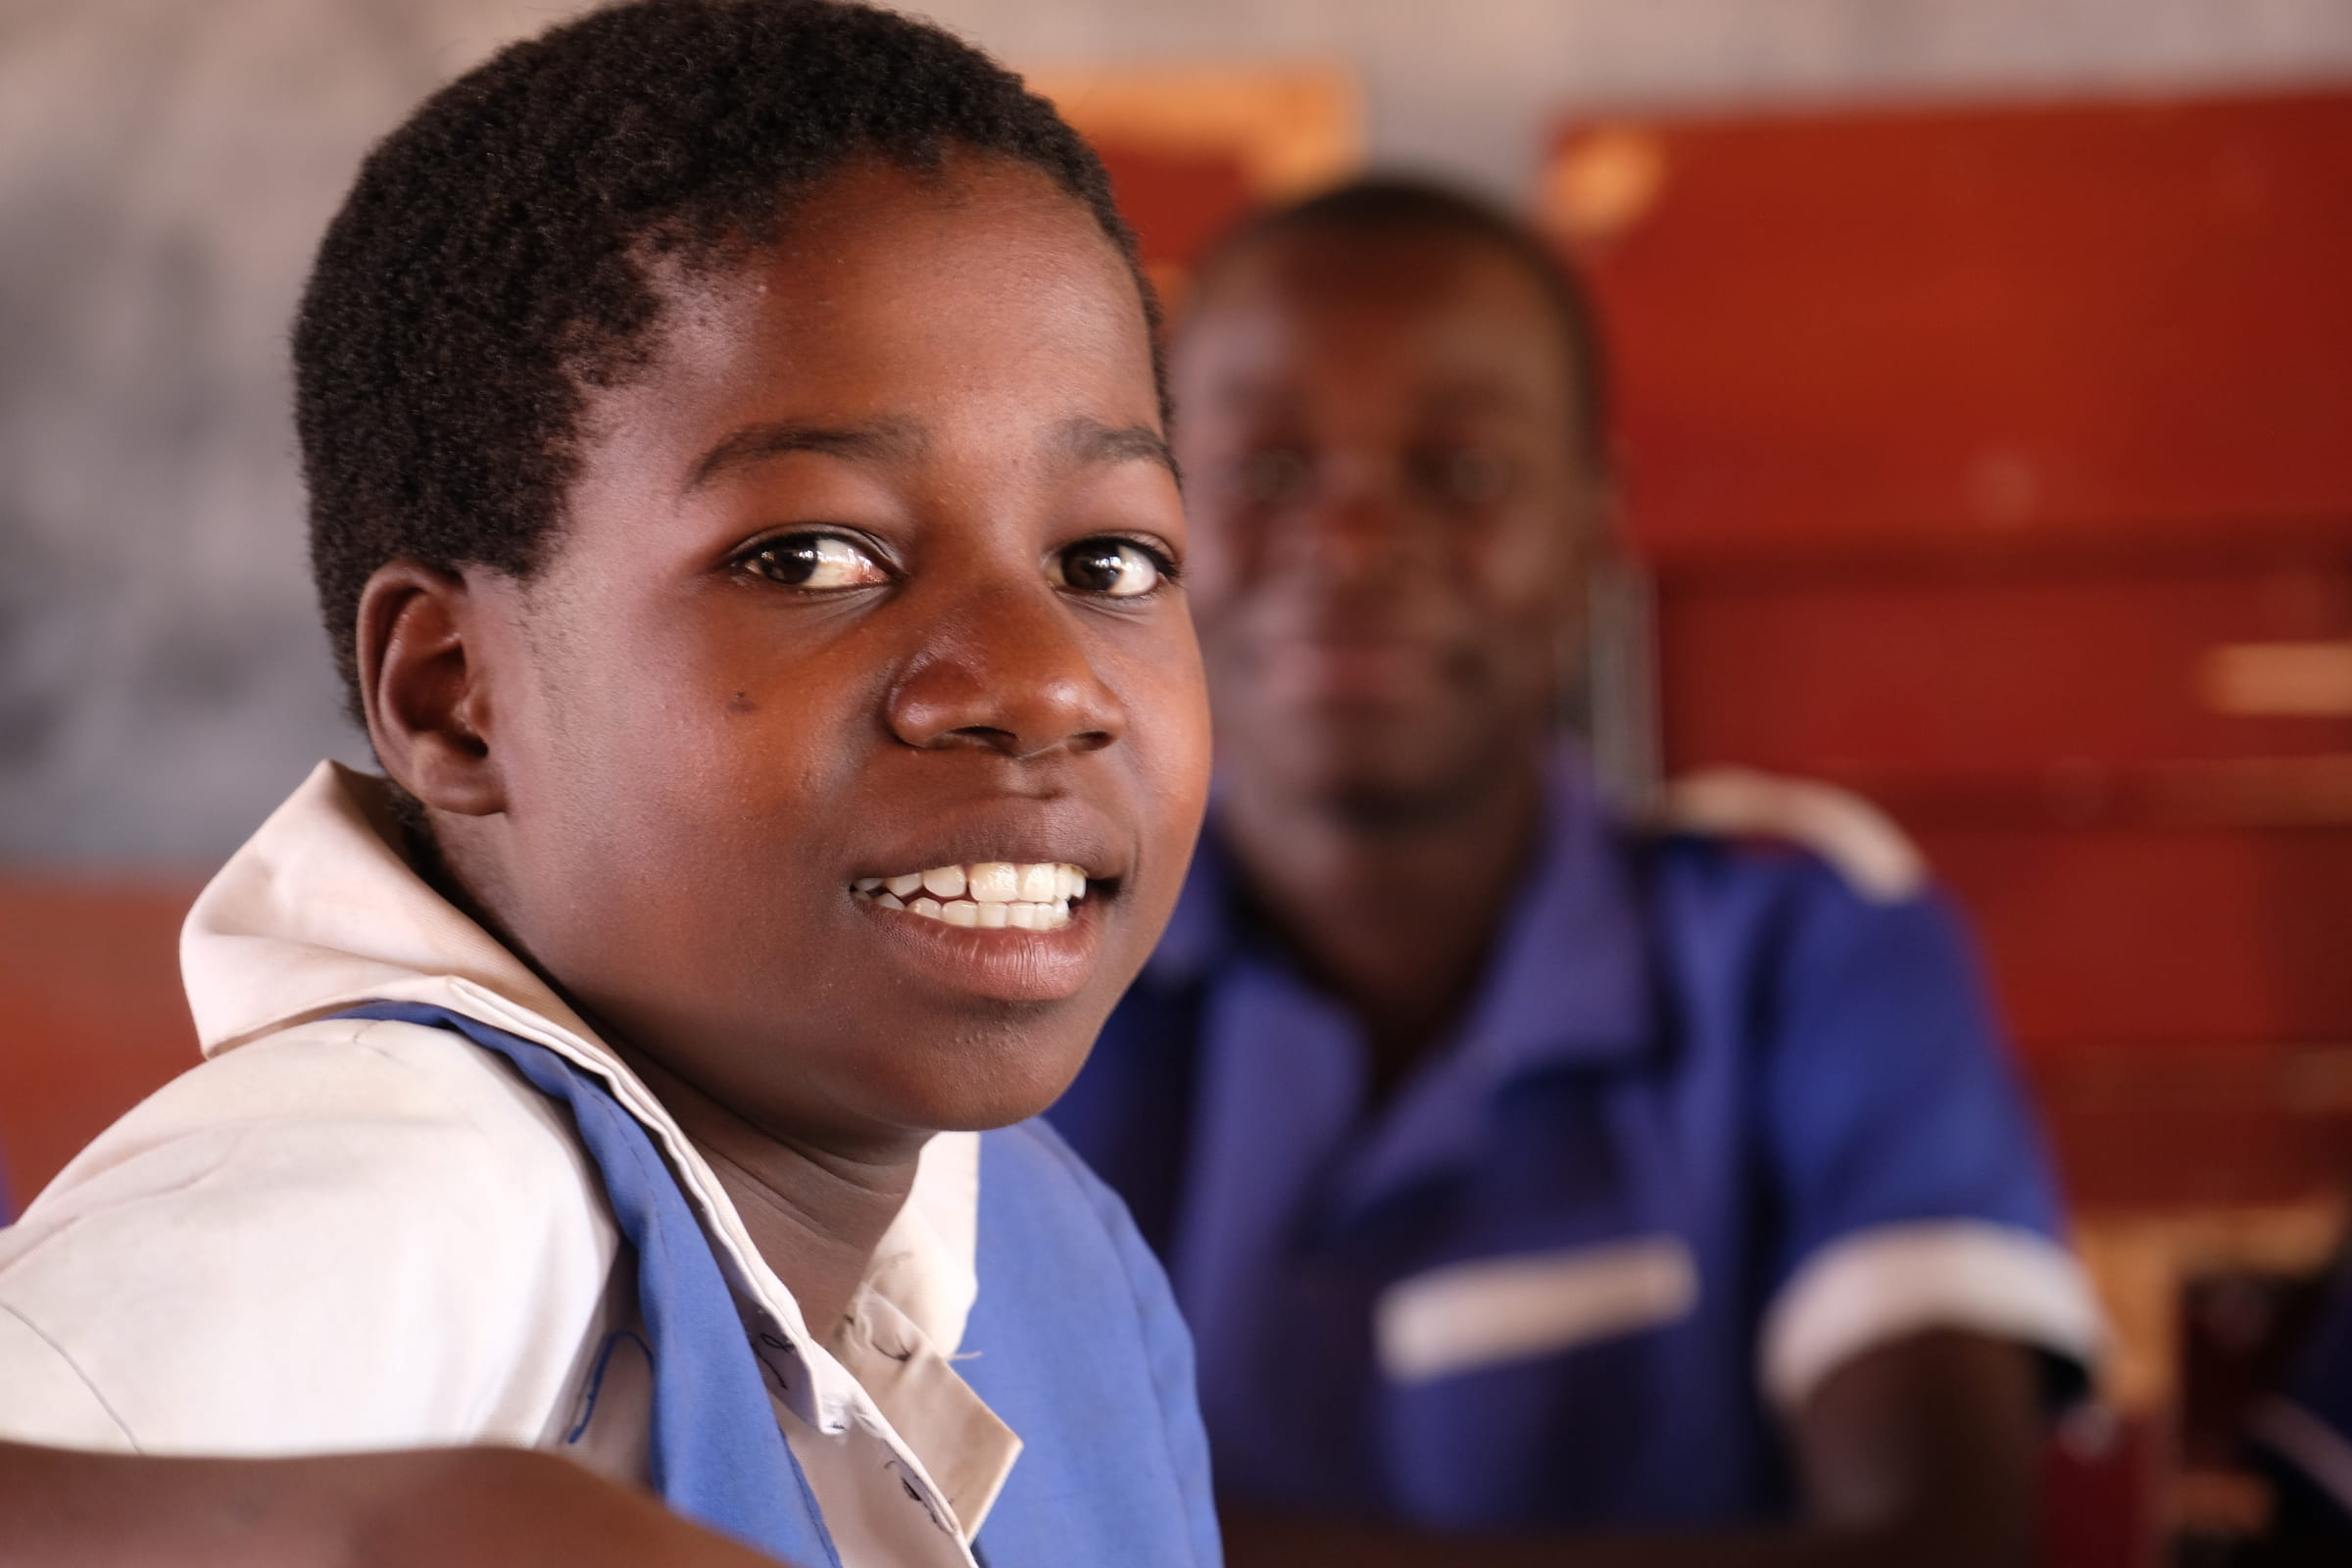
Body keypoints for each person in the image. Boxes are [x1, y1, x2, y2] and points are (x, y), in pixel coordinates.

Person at [0, 4, 1218, 1565]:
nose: (1045, 680)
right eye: (812, 558)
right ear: (456, 696)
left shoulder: (1053, 1252)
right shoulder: (395, 1206)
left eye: (1109, 561)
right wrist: (372, 1526)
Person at [1047, 177, 2104, 1567]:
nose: (1352, 546)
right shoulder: (1021, 968)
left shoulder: (1806, 951)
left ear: (1594, 522)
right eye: (1268, 474)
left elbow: (1946, 1542)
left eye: (1462, 475)